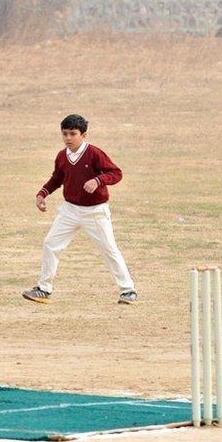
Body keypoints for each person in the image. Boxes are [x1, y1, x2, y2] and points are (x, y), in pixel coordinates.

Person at [22, 114, 137, 305]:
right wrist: (42, 194)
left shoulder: (94, 153)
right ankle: (44, 289)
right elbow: (57, 178)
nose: (68, 138)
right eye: (65, 133)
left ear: (83, 135)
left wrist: (98, 180)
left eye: (72, 134)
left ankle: (128, 290)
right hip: (69, 210)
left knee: (109, 249)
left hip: (95, 212)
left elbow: (116, 173)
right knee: (50, 244)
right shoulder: (61, 156)